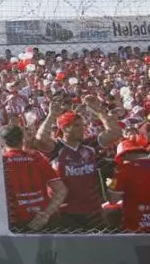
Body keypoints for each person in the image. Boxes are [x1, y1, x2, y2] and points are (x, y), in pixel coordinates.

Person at [33, 95, 120, 232]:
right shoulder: (56, 149)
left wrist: (98, 110)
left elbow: (115, 133)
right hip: (65, 212)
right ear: (65, 128)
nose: (82, 129)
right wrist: (51, 116)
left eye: (83, 125)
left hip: (93, 210)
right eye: (77, 126)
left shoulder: (89, 145)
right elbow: (40, 139)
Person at [1, 125, 67, 232]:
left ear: (3, 142)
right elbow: (61, 190)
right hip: (42, 218)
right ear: (22, 139)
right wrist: (46, 214)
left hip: (15, 220)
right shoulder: (37, 157)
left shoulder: (1, 162)